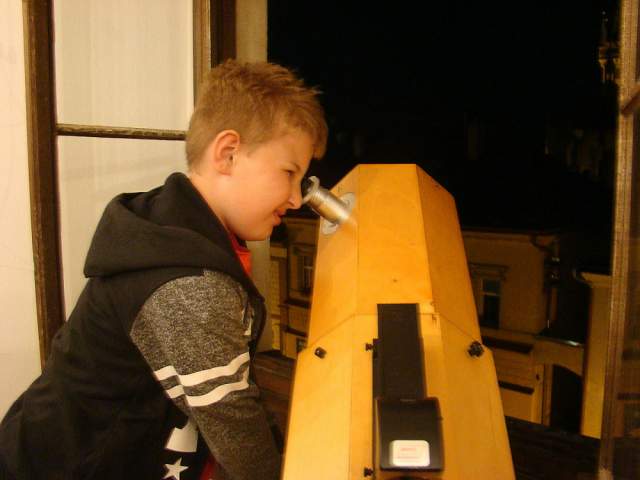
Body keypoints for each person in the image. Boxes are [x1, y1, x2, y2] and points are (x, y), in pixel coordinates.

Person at [0, 59, 328, 480]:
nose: (296, 199)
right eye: (289, 173)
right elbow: (236, 428)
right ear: (228, 153)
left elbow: (234, 388)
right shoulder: (188, 281)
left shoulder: (183, 228)